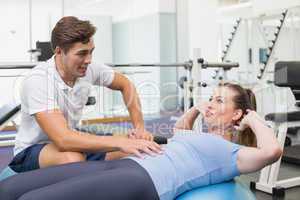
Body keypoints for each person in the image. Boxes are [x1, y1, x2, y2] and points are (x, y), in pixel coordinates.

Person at [0, 83, 282, 200]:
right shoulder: (198, 136)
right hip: (126, 164)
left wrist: (252, 117)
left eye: (219, 101)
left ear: (236, 114)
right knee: (11, 188)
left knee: (33, 199)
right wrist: (198, 107)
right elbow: (181, 130)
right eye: (212, 96)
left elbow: (272, 150)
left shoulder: (232, 153)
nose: (210, 103)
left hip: (144, 180)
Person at [9, 16, 162, 173]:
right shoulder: (39, 80)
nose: (88, 60)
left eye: (91, 52)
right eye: (82, 54)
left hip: (72, 141)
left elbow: (126, 84)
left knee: (135, 146)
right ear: (59, 51)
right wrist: (117, 141)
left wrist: (140, 128)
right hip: (32, 151)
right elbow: (63, 139)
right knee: (73, 158)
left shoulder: (88, 68)